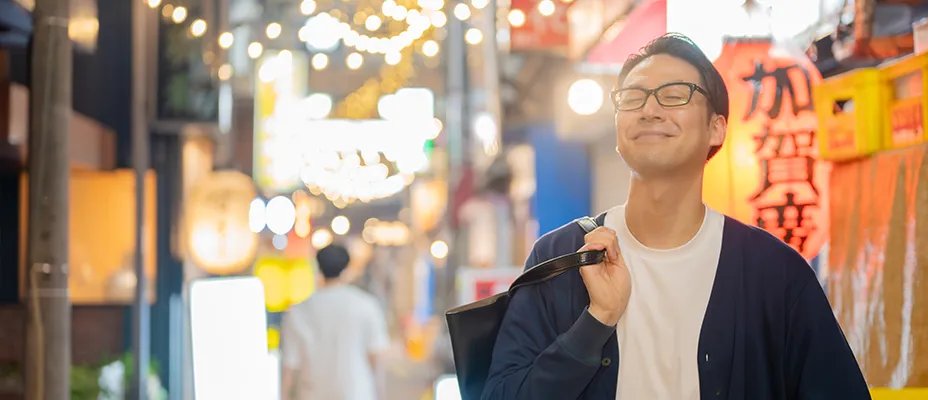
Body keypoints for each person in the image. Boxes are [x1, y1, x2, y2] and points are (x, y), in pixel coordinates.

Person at [482, 33, 870, 400]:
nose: (650, 110)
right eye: (633, 97)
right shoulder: (560, 258)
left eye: (674, 95)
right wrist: (597, 320)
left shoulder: (774, 272)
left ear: (716, 128)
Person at [281, 243, 389, 400]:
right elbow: (376, 359)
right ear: (347, 268)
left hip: (313, 394)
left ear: (318, 267)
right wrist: (381, 395)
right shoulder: (366, 305)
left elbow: (289, 368)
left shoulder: (298, 311)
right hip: (357, 393)